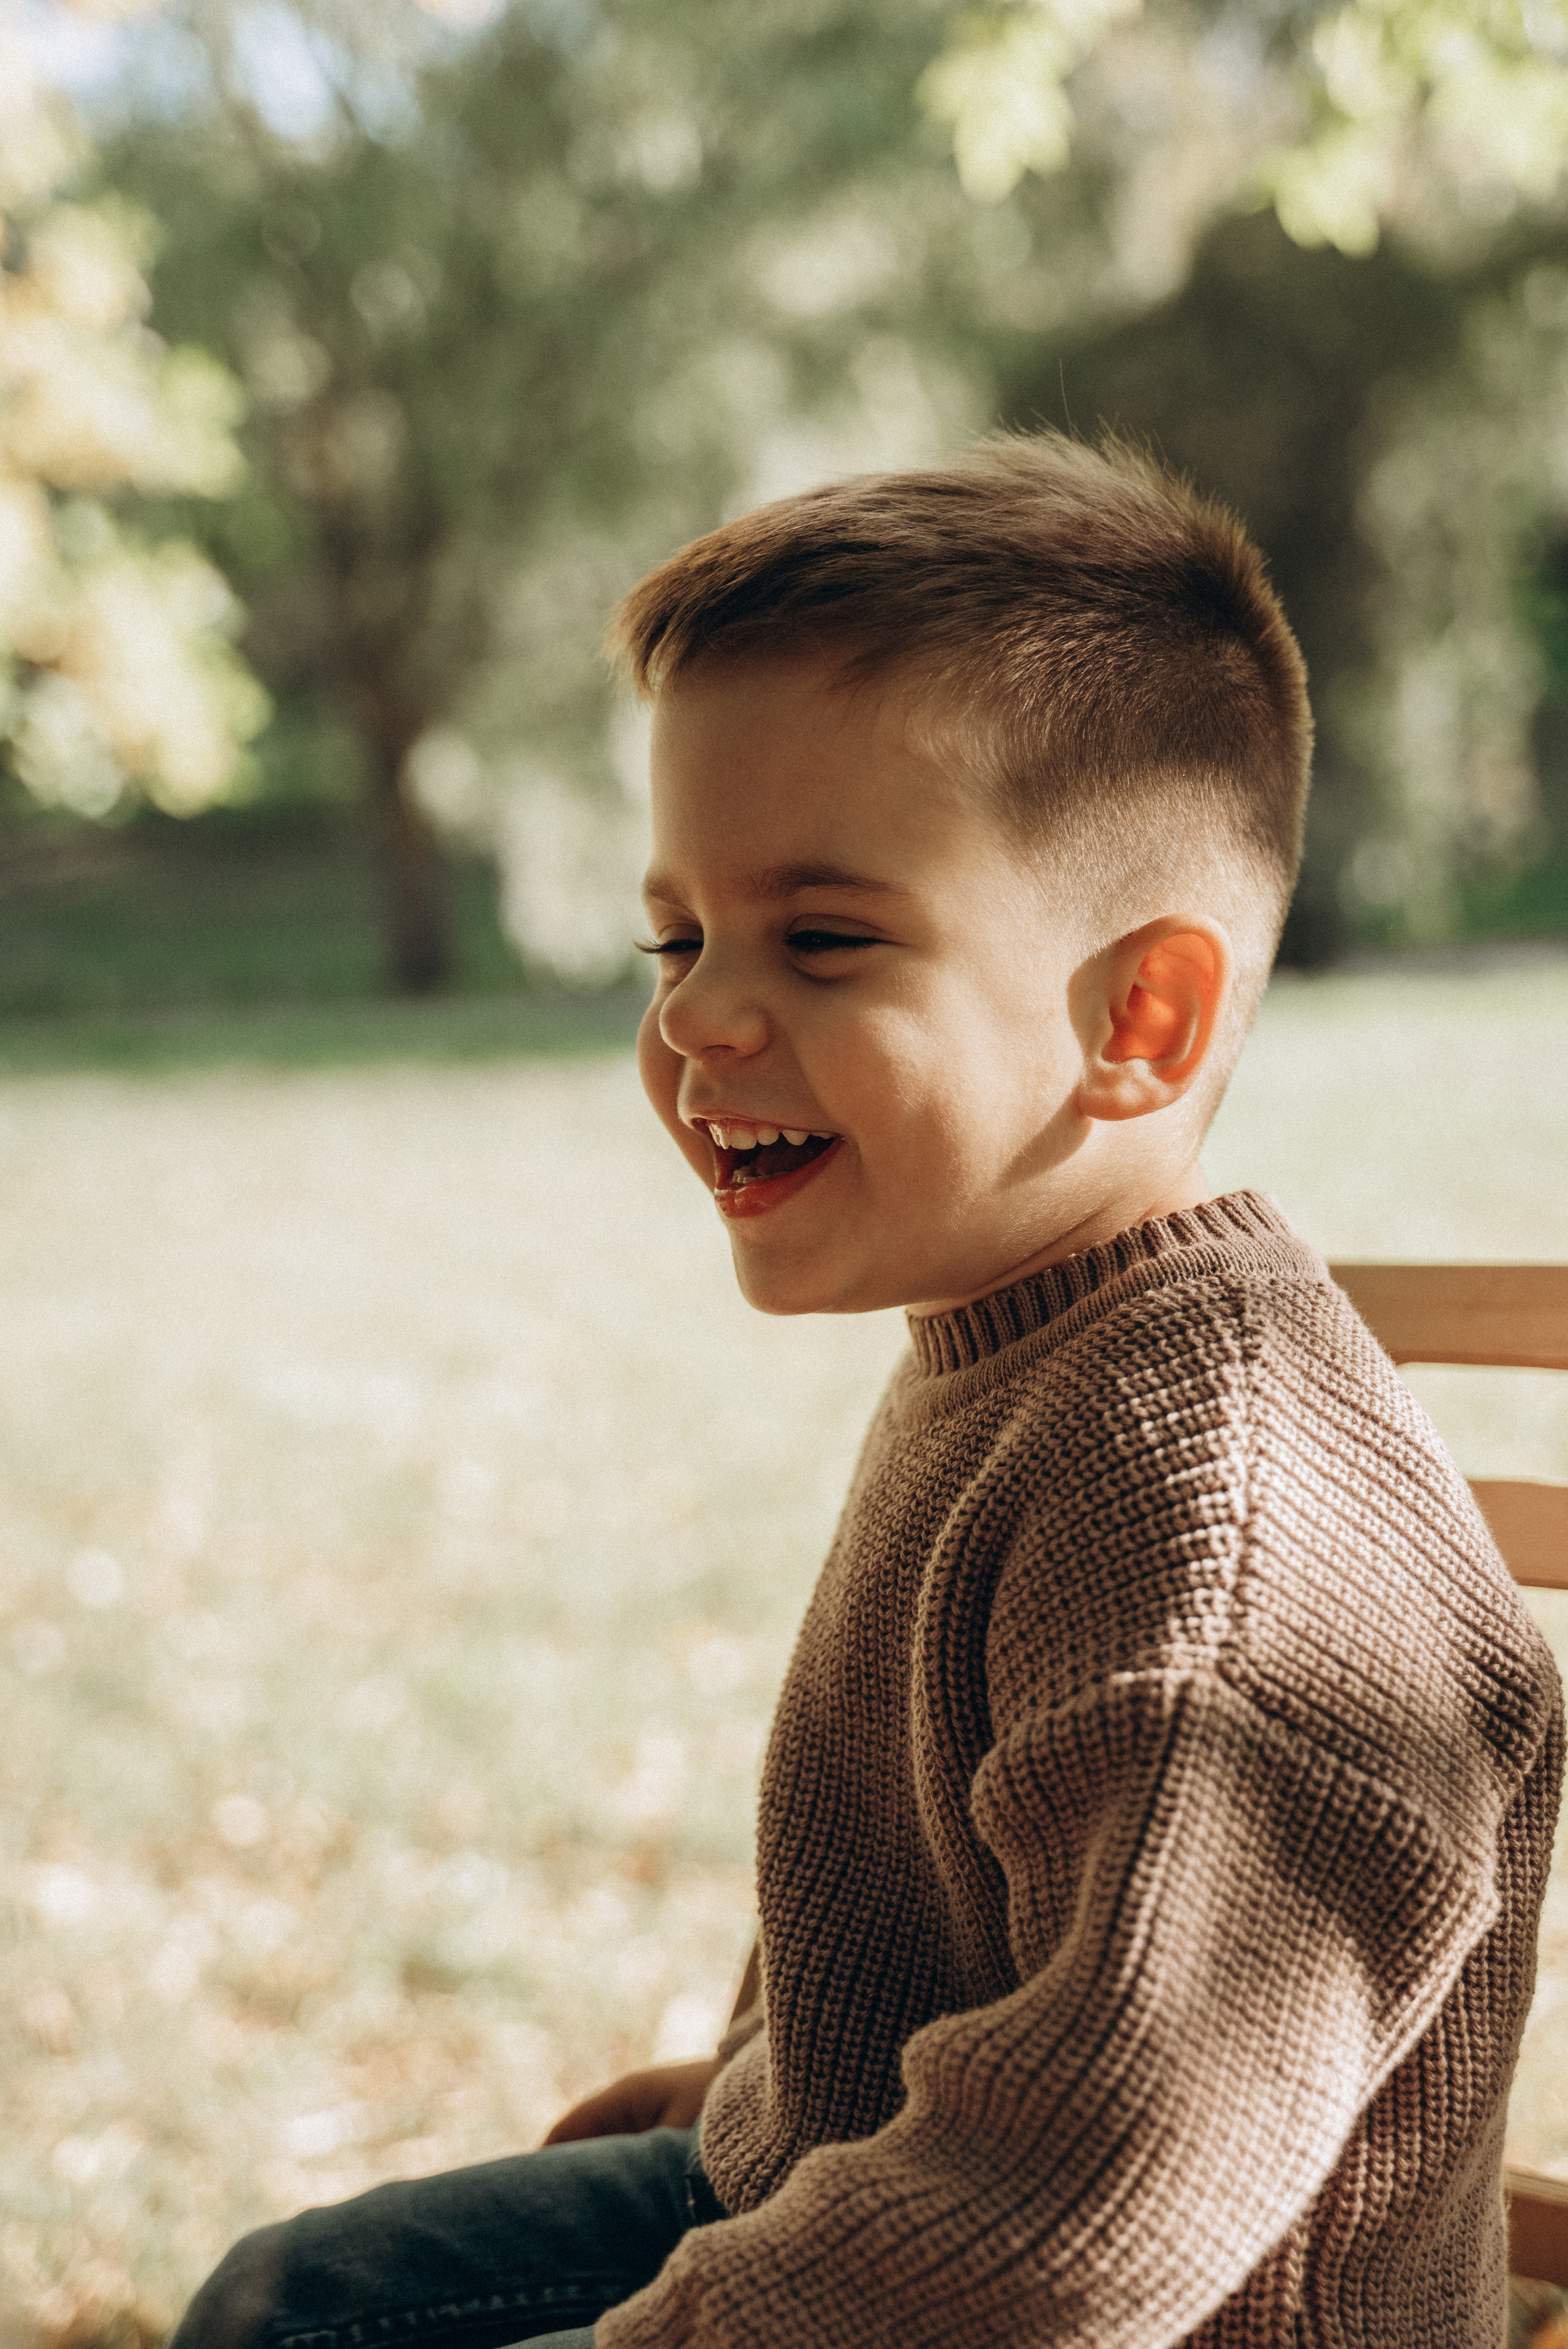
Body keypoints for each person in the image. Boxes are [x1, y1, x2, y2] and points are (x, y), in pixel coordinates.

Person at [171, 433, 1563, 2349]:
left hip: (1104, 2309)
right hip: (883, 2192)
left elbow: (1092, 2212)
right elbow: (930, 1898)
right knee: (296, 2299)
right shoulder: (1020, 1328)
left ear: (1137, 1019)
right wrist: (760, 2086)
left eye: (822, 938)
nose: (695, 1016)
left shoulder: (1232, 1526)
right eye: (681, 936)